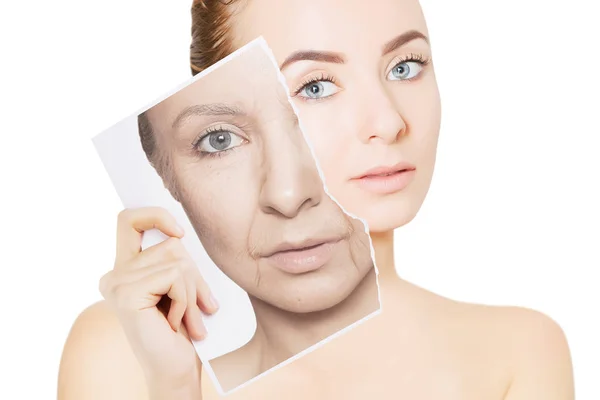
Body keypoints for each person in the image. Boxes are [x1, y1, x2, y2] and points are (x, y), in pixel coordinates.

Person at [58, 0, 575, 399]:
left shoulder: (516, 352)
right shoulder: (122, 351)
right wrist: (173, 389)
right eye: (317, 87)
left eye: (404, 66)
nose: (390, 122)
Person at [58, 40, 378, 397]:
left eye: (316, 93)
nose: (287, 196)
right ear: (169, 181)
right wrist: (175, 386)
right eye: (219, 140)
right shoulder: (121, 358)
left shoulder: (453, 350)